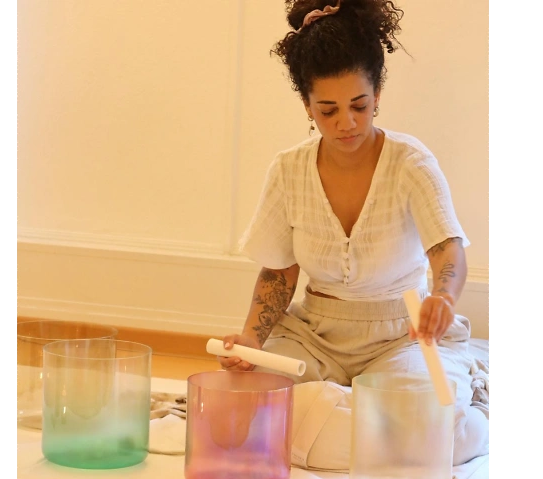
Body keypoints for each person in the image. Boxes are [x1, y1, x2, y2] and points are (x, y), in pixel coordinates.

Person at [217, 0, 489, 471]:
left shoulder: (411, 162)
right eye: (328, 110)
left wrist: (443, 297)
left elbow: (447, 247)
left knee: (431, 431)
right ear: (307, 106)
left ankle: (348, 418)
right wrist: (250, 343)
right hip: (314, 334)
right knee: (241, 406)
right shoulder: (288, 169)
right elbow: (279, 273)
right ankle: (366, 421)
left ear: (377, 94)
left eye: (359, 105)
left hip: (401, 335)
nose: (346, 123)